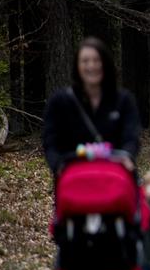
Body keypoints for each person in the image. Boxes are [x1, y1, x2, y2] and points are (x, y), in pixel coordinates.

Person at [42, 37, 140, 175]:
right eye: (85, 61)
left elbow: (131, 138)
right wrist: (57, 165)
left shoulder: (124, 100)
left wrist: (127, 156)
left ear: (105, 63)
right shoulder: (60, 102)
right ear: (77, 65)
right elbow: (50, 141)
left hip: (114, 177)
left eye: (97, 60)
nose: (91, 66)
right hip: (73, 178)